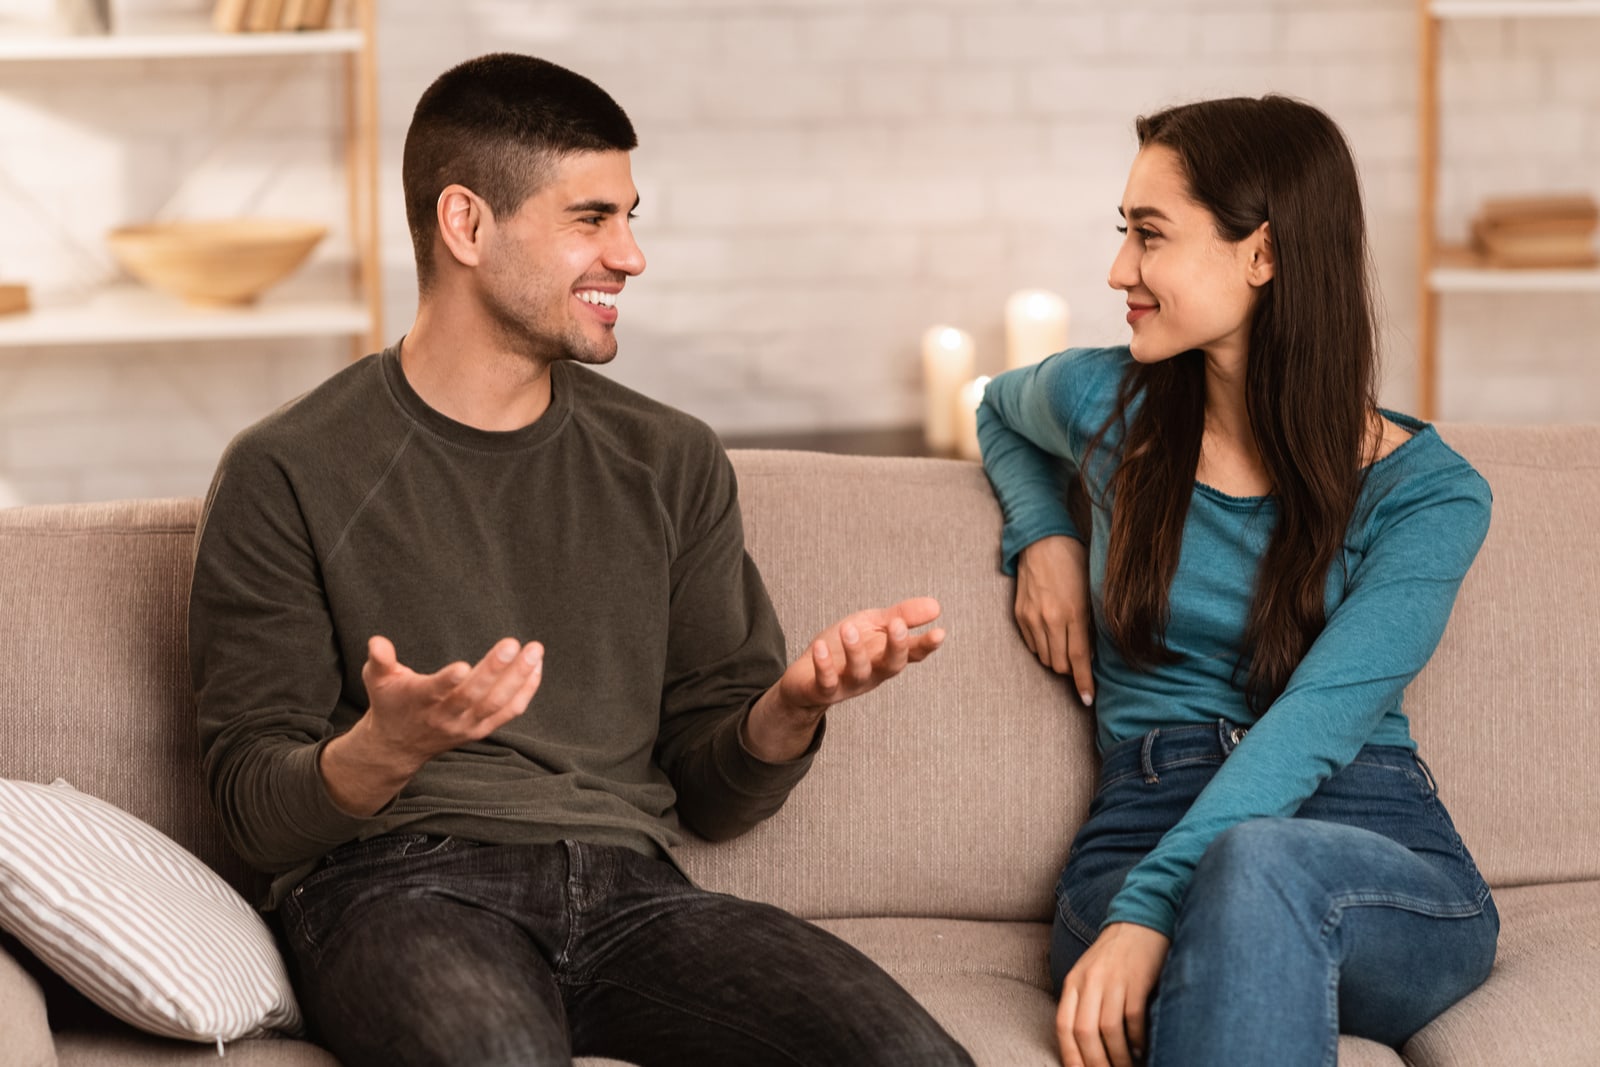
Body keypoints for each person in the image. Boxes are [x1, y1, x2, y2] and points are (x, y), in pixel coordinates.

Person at [190, 53, 973, 1067]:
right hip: (395, 884)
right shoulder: (287, 468)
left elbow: (713, 794)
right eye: (591, 219)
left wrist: (791, 706)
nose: (632, 255)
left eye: (630, 216)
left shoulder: (669, 458)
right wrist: (389, 743)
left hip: (634, 892)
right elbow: (252, 810)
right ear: (465, 224)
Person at [976, 94, 1498, 1067]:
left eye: (1148, 235)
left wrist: (1151, 907)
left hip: (1370, 848)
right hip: (1143, 819)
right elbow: (997, 414)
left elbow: (1313, 724)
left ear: (1260, 254)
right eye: (1121, 233)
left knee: (1256, 864)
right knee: (1245, 880)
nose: (1116, 269)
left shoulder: (1428, 496)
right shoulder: (1105, 404)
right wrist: (1041, 531)